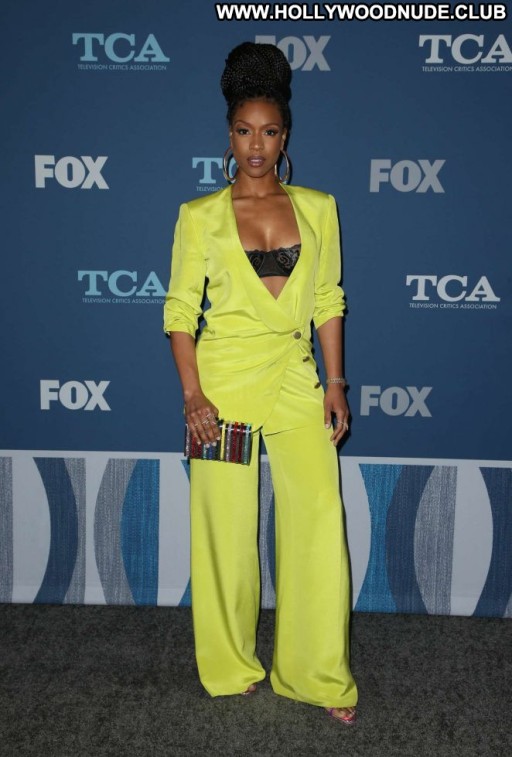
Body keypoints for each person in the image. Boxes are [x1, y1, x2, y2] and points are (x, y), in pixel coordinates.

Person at [163, 41, 358, 725]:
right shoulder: (199, 217)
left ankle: (316, 672)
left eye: (269, 132)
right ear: (229, 135)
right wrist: (193, 395)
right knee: (225, 529)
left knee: (317, 521)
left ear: (285, 136)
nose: (256, 145)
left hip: (297, 378)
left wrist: (335, 381)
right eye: (244, 131)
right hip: (221, 388)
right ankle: (230, 664)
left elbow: (327, 298)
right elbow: (179, 313)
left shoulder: (319, 208)